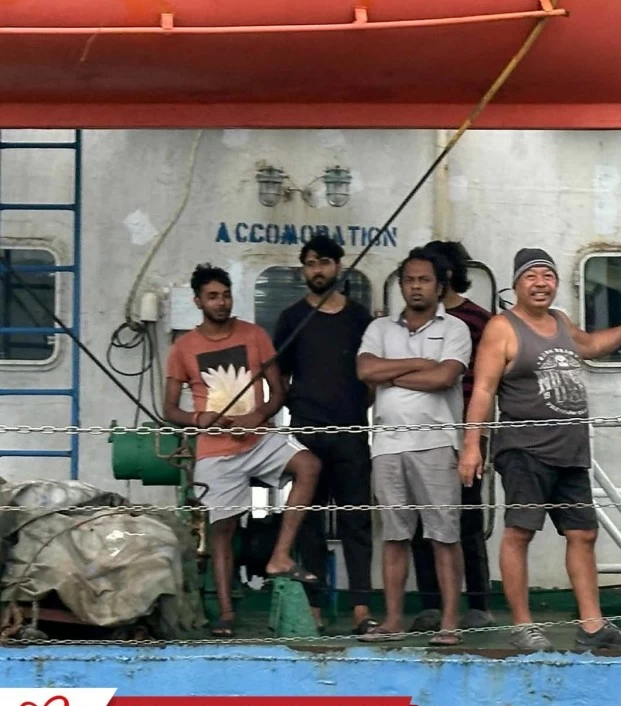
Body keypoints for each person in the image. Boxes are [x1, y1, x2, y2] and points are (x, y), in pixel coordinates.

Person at [458, 247, 621, 652]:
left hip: (571, 452)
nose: (541, 283)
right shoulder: (502, 327)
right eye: (532, 276)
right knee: (519, 533)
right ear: (516, 284)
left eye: (548, 276)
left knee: (582, 533)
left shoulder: (561, 322)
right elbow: (482, 389)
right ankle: (523, 626)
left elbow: (591, 345)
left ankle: (592, 626)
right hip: (524, 450)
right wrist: (471, 446)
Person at [163, 263, 322, 638]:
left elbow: (278, 390)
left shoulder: (253, 335)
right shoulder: (183, 347)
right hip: (214, 451)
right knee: (222, 530)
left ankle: (280, 556)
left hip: (258, 438)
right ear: (197, 301)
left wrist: (259, 414)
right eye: (213, 296)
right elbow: (169, 409)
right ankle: (227, 612)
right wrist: (199, 418)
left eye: (226, 295)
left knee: (309, 466)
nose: (221, 303)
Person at [356, 249, 472, 644]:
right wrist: (420, 363)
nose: (416, 286)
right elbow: (365, 370)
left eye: (424, 280)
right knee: (393, 536)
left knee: (444, 535)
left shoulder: (455, 328)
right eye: (409, 280)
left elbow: (444, 378)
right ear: (400, 285)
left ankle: (450, 623)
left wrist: (394, 374)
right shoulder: (380, 329)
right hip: (386, 445)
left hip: (436, 443)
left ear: (440, 286)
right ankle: (391, 621)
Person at [273, 235, 377, 635]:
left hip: (352, 432)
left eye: (326, 262)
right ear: (303, 269)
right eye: (312, 263)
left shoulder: (360, 319)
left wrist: (353, 409)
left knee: (357, 523)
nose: (319, 270)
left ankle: (361, 611)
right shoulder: (290, 318)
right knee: (310, 525)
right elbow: (278, 376)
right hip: (305, 436)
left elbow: (369, 379)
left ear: (338, 266)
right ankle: (314, 609)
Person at [408, 241, 496, 632]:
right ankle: (432, 603)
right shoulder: (410, 320)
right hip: (419, 428)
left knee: (467, 517)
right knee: (420, 518)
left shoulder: (481, 320)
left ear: (444, 276)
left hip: (465, 429)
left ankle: (477, 602)